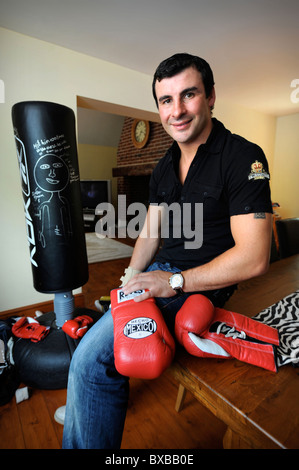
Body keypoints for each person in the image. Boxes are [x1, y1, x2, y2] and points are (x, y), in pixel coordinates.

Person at [60, 53, 273, 448]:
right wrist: (128, 283)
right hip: (162, 276)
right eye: (166, 100)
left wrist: (172, 282)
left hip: (200, 282)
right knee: (91, 355)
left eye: (188, 94)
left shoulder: (244, 157)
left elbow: (255, 256)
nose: (177, 110)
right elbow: (149, 234)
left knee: (89, 364)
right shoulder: (163, 165)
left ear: (210, 97)